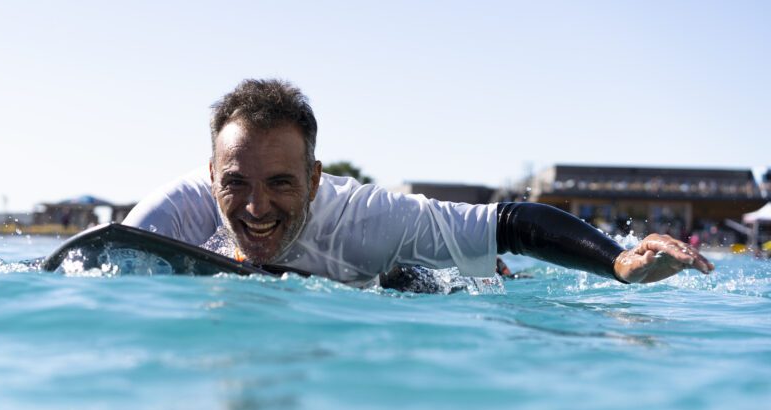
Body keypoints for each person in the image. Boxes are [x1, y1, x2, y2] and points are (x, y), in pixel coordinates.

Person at [125, 79, 713, 288]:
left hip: (381, 280)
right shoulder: (173, 216)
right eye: (235, 183)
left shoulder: (366, 218)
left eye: (280, 183)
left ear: (313, 178)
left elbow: (511, 222)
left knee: (422, 283)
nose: (255, 206)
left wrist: (617, 263)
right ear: (211, 176)